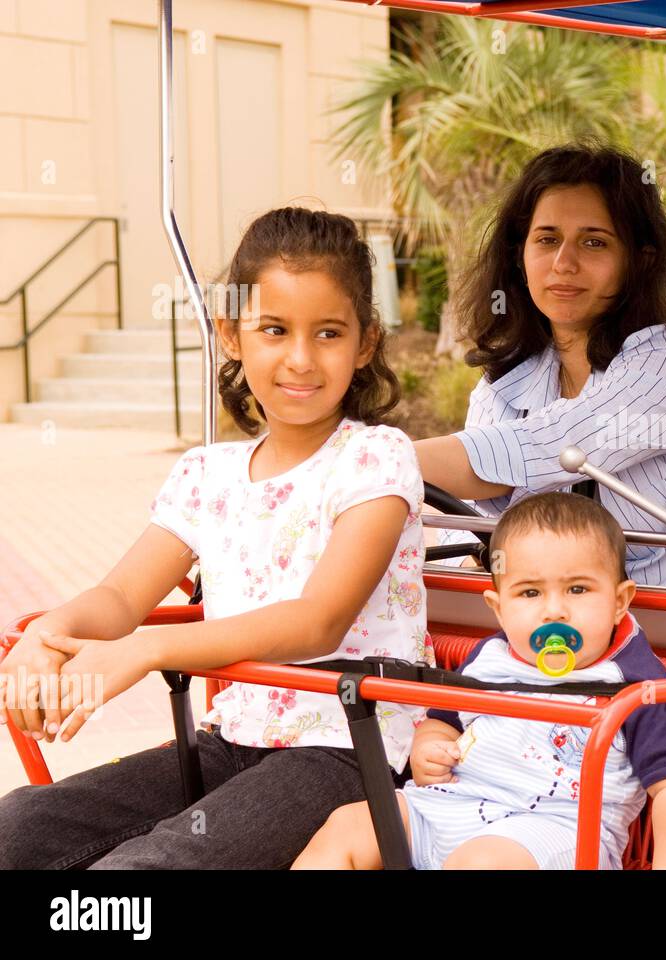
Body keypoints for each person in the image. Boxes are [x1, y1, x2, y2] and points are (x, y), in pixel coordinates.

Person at [0, 207, 428, 868]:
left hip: (348, 749)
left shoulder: (375, 461)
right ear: (231, 333)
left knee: (151, 868)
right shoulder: (208, 474)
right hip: (232, 740)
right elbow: (119, 597)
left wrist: (148, 650)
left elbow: (318, 621)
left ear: (366, 343)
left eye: (329, 333)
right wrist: (44, 636)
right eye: (275, 330)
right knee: (19, 825)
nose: (300, 359)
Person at [411, 143, 666, 638]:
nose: (563, 263)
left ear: (639, 260)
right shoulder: (506, 379)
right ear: (519, 255)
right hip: (552, 647)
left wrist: (362, 458)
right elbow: (477, 521)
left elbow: (550, 449)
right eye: (546, 240)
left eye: (594, 243)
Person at [294, 492, 666, 870]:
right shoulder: (488, 658)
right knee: (349, 824)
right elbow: (442, 720)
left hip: (556, 832)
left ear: (619, 602)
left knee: (482, 862)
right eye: (529, 594)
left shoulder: (637, 684)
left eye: (578, 589)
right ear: (498, 607)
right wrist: (427, 749)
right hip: (451, 806)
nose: (554, 611)